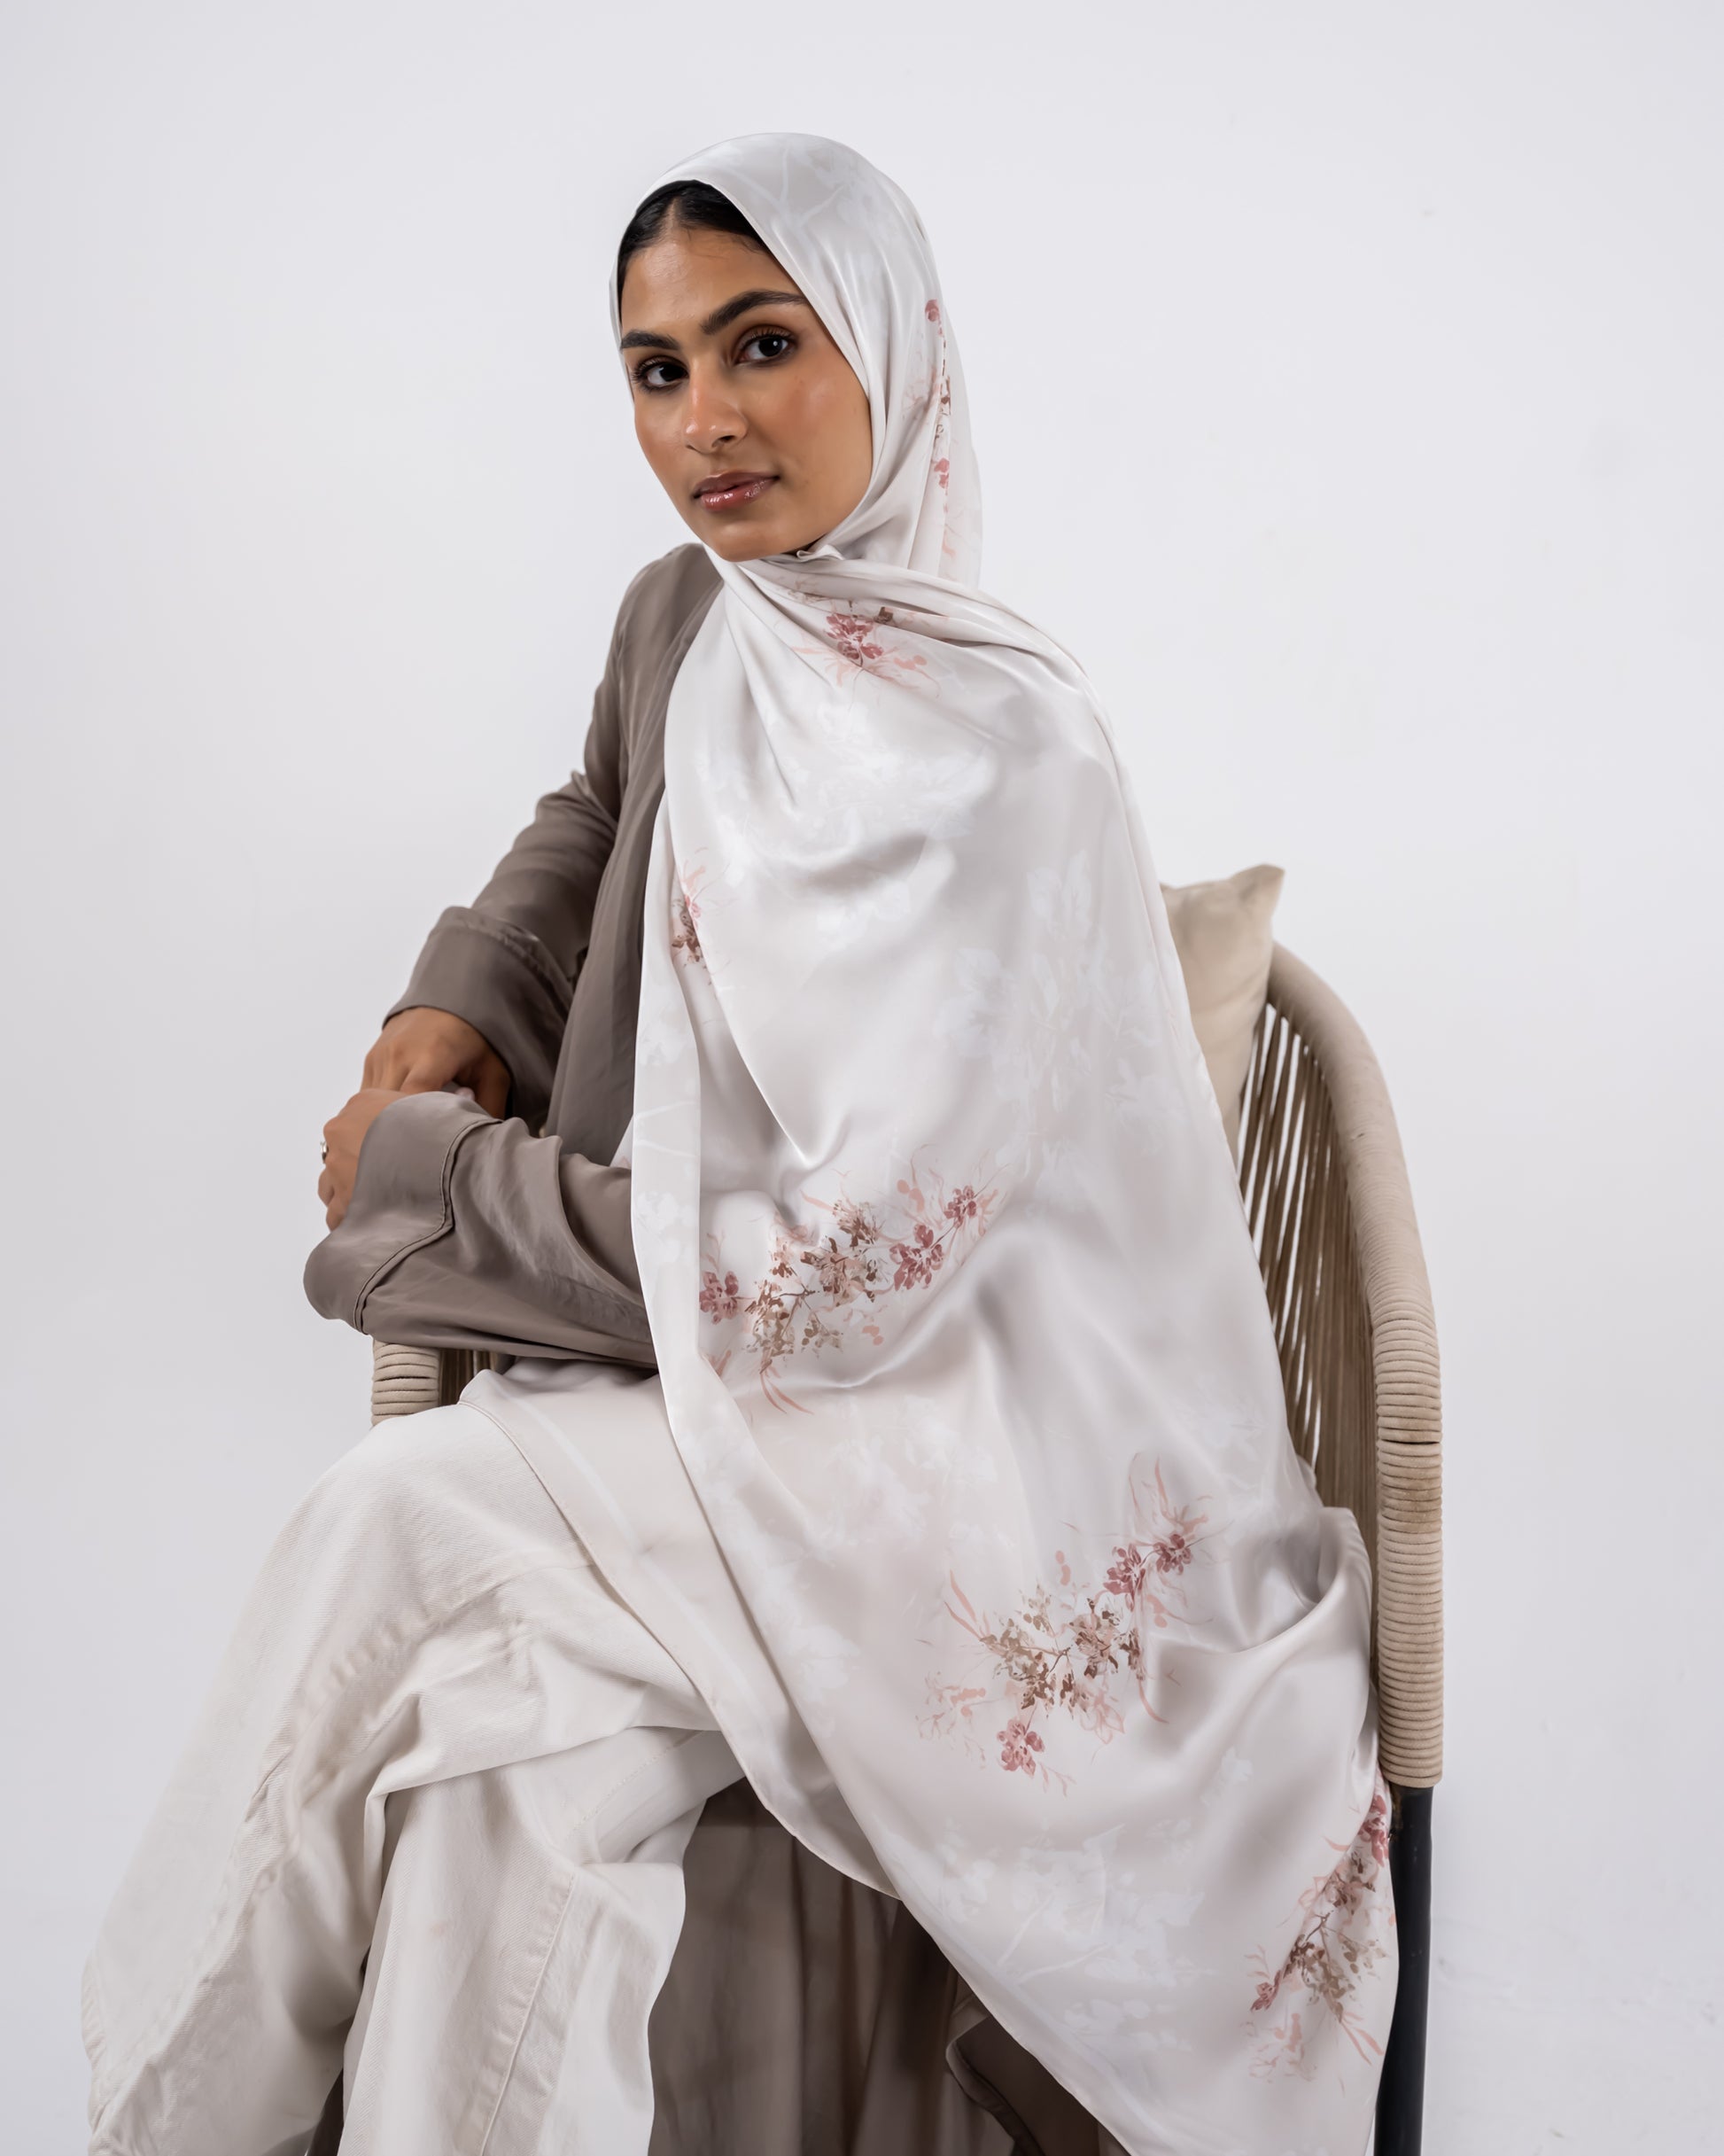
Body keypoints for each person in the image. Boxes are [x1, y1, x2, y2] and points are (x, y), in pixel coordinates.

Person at [83, 135, 1396, 2156]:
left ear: (892, 346)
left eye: (761, 344)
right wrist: (460, 996)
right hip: (721, 1419)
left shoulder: (1012, 757)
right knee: (513, 1784)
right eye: (655, 369)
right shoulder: (690, 626)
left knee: (401, 1513)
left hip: (951, 1445)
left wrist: (426, 1185)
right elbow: (593, 808)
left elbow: (829, 1290)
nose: (704, 419)